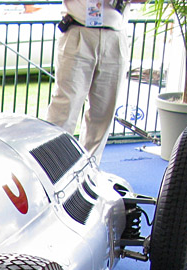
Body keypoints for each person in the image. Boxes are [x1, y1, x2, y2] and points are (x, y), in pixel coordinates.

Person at [45, 0, 137, 162]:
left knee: (103, 112)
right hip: (78, 30)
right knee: (65, 108)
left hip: (115, 35)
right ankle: (51, 166)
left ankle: (89, 168)